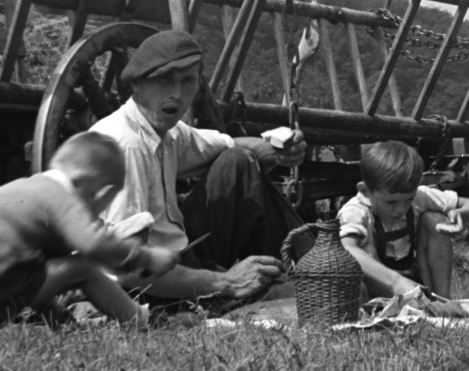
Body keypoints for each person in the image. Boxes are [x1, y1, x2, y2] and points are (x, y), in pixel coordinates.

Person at [90, 29, 308, 306]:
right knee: (306, 297)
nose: (177, 94)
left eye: (187, 81)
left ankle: (311, 270)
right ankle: (316, 277)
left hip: (182, 257)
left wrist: (279, 149)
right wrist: (225, 282)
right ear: (136, 84)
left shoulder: (167, 132)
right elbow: (129, 268)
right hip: (150, 288)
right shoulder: (127, 145)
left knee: (237, 161)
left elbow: (229, 145)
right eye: (164, 80)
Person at [0, 132, 179, 326]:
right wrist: (147, 256)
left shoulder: (24, 188)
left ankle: (58, 323)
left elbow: (36, 273)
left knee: (43, 266)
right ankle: (143, 320)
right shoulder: (60, 197)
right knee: (83, 268)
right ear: (102, 193)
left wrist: (61, 321)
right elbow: (93, 244)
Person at [338, 140, 469, 300]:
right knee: (359, 251)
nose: (401, 209)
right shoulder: (356, 210)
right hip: (378, 285)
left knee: (434, 220)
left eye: (408, 199)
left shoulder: (420, 197)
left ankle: (441, 301)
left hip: (413, 282)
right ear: (365, 191)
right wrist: (395, 281)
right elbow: (346, 249)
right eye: (391, 202)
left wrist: (461, 213)